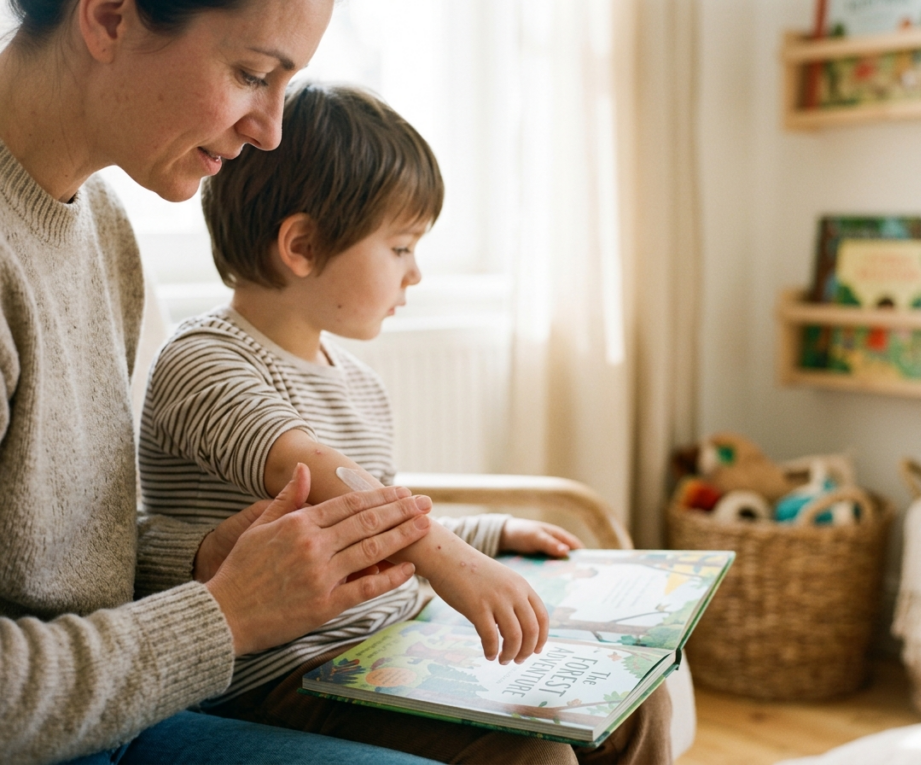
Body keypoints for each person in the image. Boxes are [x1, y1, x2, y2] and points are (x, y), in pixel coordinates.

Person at [138, 83, 672, 765]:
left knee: (634, 699)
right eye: (400, 247)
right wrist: (459, 561)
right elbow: (304, 467)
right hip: (274, 676)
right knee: (531, 755)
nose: (415, 273)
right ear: (301, 245)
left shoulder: (360, 384)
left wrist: (488, 530)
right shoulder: (203, 360)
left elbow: (380, 512)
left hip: (386, 646)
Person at [0, 1, 444, 763]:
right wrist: (225, 614)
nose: (270, 130)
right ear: (109, 17)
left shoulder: (101, 225)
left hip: (116, 713)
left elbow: (58, 565)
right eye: (251, 74)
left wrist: (204, 560)